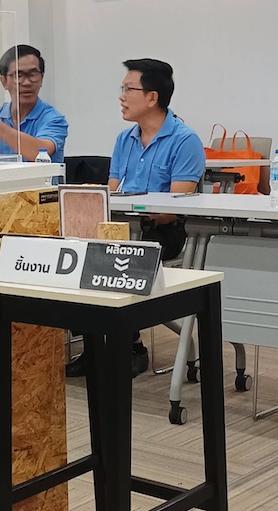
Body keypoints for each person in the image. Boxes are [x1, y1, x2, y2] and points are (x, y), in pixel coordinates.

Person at [67, 58, 205, 378]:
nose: (121, 96)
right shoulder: (124, 139)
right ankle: (94, 346)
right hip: (124, 228)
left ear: (152, 97)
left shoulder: (185, 141)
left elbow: (175, 209)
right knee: (76, 251)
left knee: (111, 257)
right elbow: (113, 192)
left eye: (128, 89)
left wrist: (138, 217)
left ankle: (132, 347)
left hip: (163, 231)